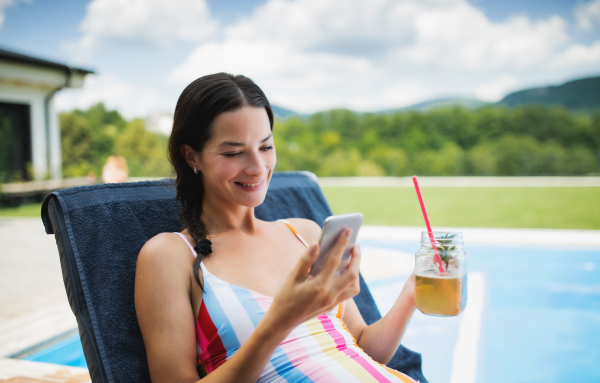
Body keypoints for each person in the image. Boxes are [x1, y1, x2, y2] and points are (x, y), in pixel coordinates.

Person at [134, 73, 417, 383]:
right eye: (233, 152)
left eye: (266, 147)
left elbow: (361, 350)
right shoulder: (170, 256)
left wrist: (412, 294)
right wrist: (281, 321)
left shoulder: (304, 235)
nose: (258, 167)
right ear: (192, 157)